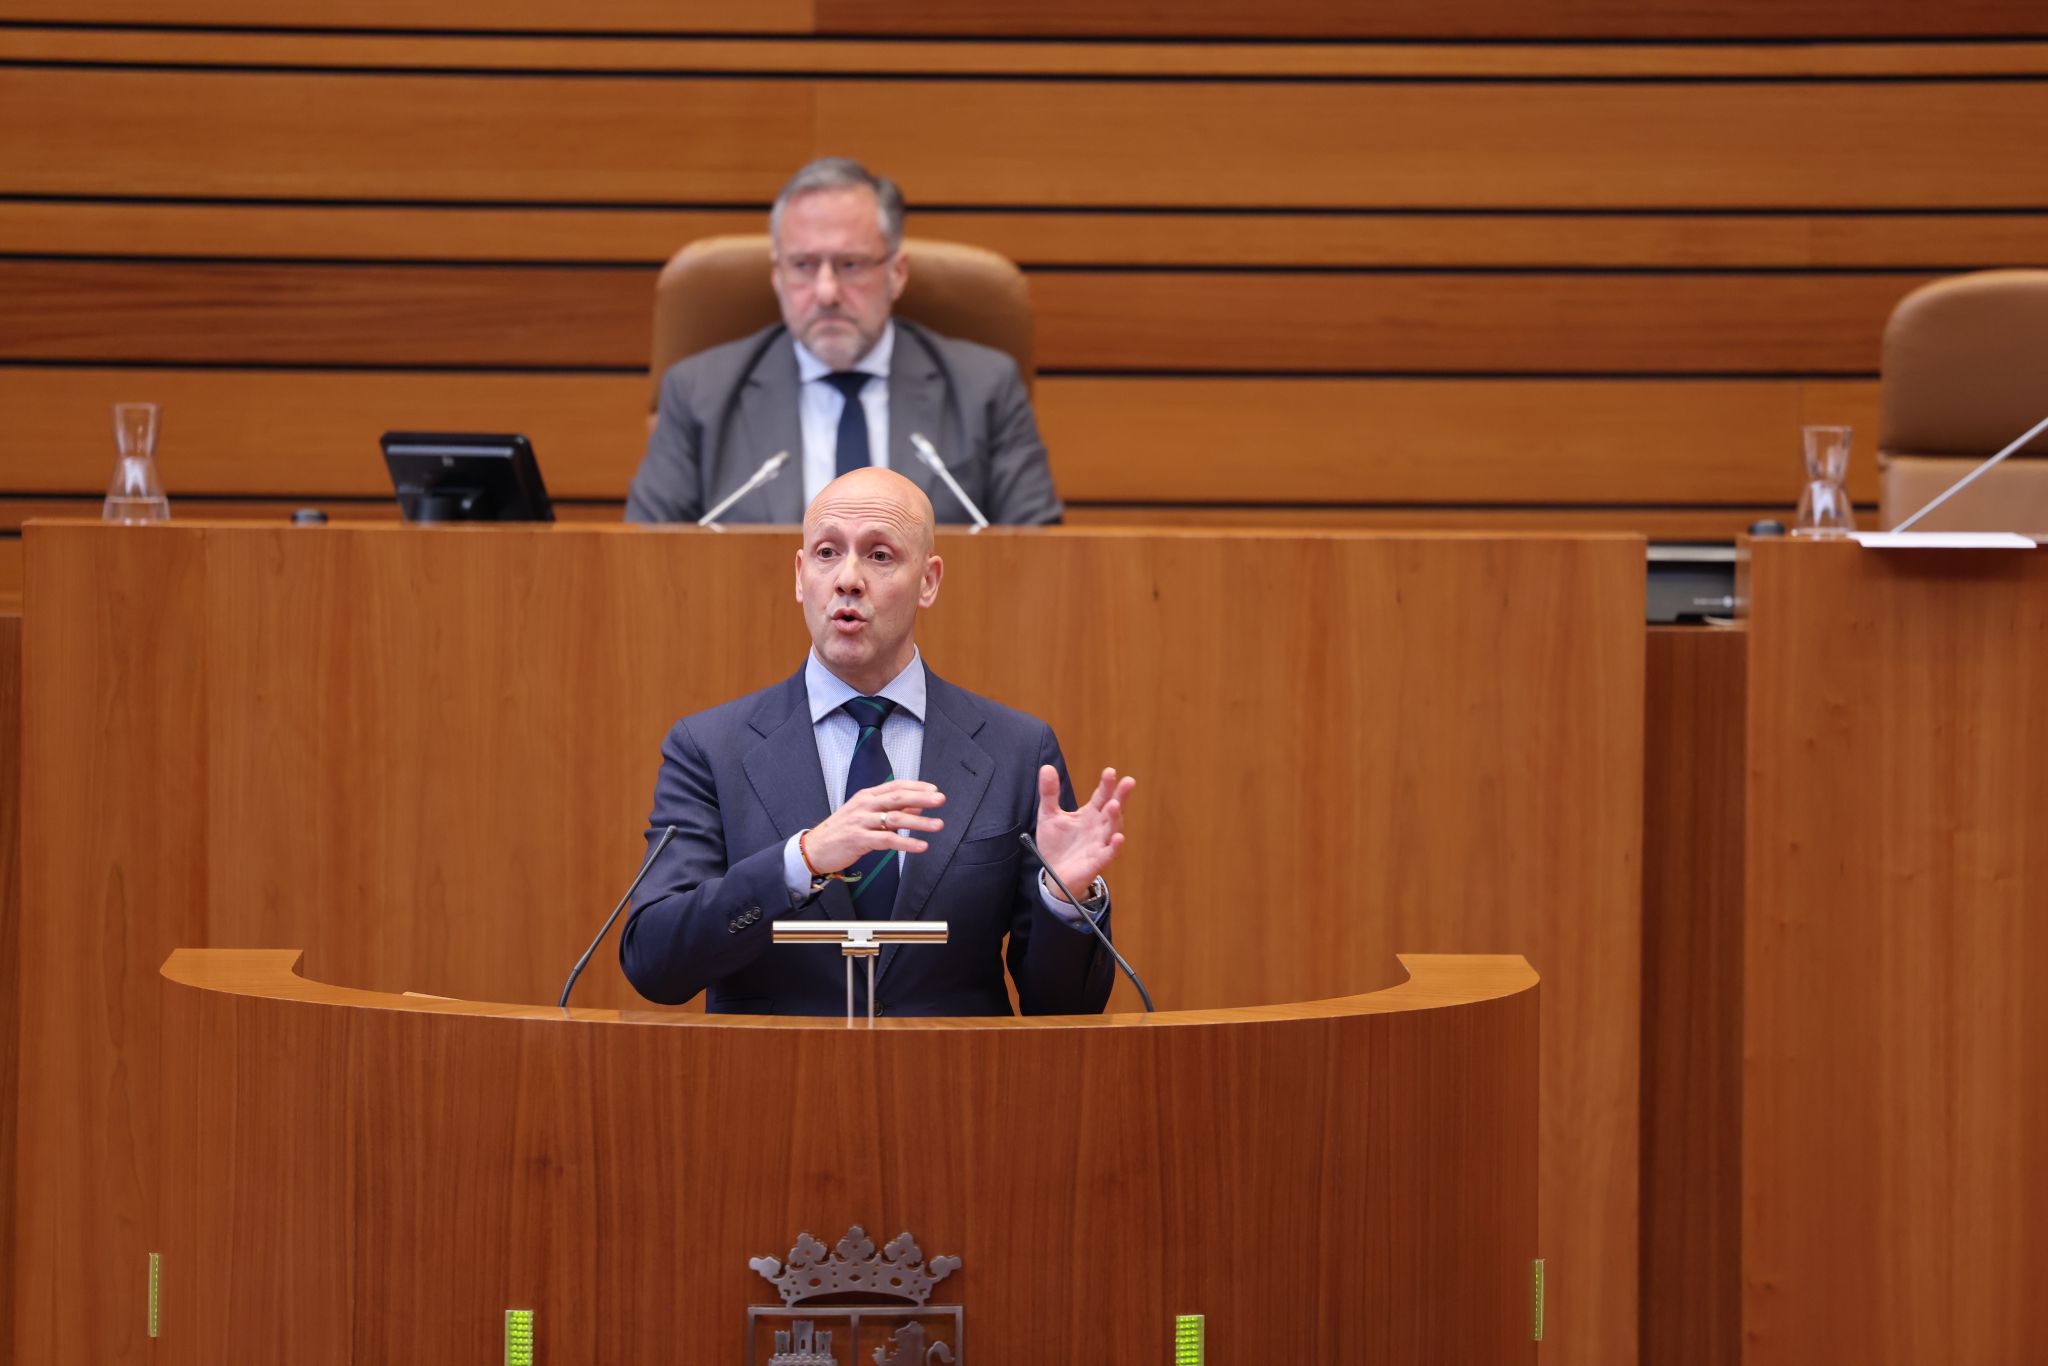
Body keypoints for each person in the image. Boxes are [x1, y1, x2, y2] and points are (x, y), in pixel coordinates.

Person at [619, 468, 1133, 1015]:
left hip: (958, 1088)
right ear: (800, 576)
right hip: (769, 1090)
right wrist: (802, 860)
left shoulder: (1017, 751)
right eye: (826, 552)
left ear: (929, 581)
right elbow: (655, 963)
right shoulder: (710, 749)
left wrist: (1065, 901)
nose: (847, 579)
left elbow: (1064, 1007)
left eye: (880, 555)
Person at [625, 158, 1064, 527]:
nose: (827, 292)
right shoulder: (698, 394)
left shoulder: (985, 389)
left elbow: (1042, 562)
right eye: (803, 265)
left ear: (896, 273)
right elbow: (645, 564)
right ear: (777, 276)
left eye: (850, 265)